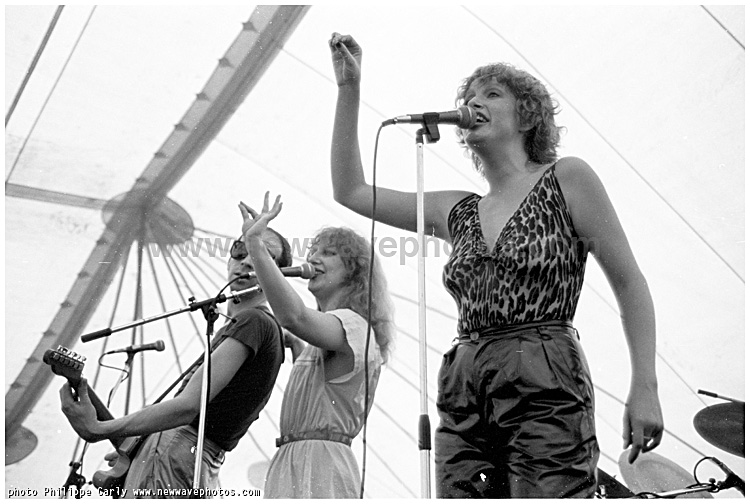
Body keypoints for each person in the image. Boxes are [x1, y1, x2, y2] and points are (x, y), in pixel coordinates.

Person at [328, 32, 664, 498]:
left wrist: (645, 384)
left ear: (527, 115)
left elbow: (629, 282)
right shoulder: (456, 209)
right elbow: (351, 191)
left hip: (544, 372)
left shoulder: (566, 178)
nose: (473, 103)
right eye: (468, 97)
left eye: (491, 94)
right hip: (465, 382)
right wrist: (349, 89)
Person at [58, 225, 291, 498]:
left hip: (176, 455)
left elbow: (187, 407)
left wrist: (99, 429)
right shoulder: (246, 327)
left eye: (262, 253)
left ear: (278, 276)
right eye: (241, 250)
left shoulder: (255, 321)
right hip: (180, 458)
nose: (247, 261)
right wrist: (136, 447)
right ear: (229, 259)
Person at [236, 193, 394, 498]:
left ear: (354, 271)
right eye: (312, 252)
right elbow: (320, 385)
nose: (313, 259)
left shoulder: (355, 325)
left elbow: (294, 316)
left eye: (329, 253)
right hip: (295, 460)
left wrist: (256, 245)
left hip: (320, 464)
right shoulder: (322, 336)